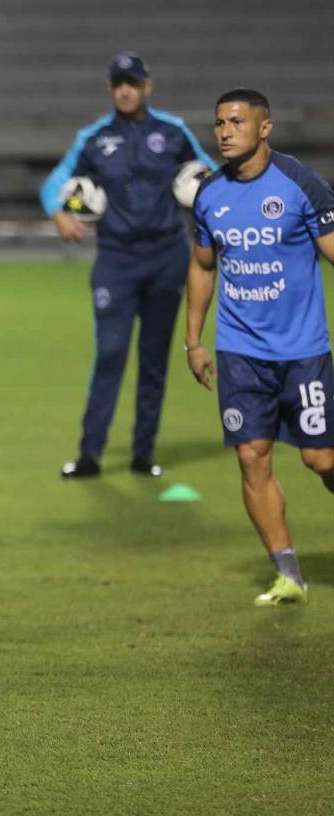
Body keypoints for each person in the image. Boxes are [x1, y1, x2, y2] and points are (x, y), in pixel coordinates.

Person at [185, 88, 334, 606]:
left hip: (303, 350)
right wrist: (193, 341)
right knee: (252, 457)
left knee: (321, 460)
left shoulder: (299, 183)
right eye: (219, 123)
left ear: (264, 128)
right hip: (240, 352)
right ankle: (288, 573)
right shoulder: (209, 194)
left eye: (236, 122)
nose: (225, 132)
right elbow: (203, 266)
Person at [40, 51, 216, 479]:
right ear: (110, 88)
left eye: (132, 83)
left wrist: (209, 205)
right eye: (119, 83)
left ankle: (143, 453)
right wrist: (58, 213)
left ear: (147, 87)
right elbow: (54, 183)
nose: (125, 90)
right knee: (111, 353)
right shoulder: (94, 137)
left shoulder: (172, 131)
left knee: (154, 358)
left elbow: (211, 174)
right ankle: (90, 454)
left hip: (166, 258)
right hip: (115, 261)